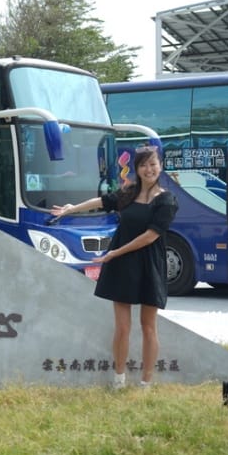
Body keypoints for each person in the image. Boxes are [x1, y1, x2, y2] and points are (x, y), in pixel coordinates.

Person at [51, 145, 178, 390]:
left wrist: (113, 254)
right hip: (123, 265)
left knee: (148, 326)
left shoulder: (166, 200)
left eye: (153, 164)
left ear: (160, 166)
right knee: (122, 327)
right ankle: (119, 380)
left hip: (148, 264)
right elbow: (101, 201)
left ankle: (145, 383)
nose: (148, 169)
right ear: (137, 169)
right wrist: (71, 209)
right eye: (143, 165)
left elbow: (150, 236)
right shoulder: (129, 192)